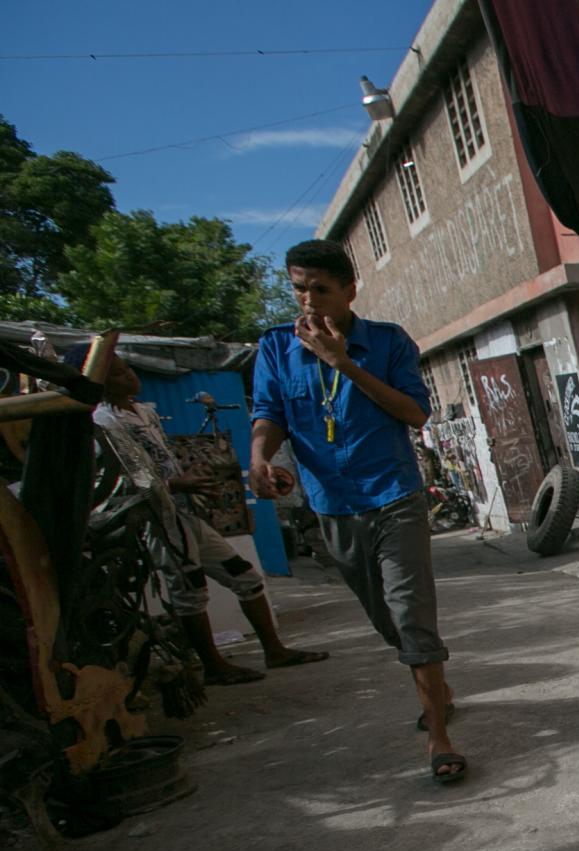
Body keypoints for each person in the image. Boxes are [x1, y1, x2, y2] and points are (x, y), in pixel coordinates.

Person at [247, 239, 466, 784]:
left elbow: (415, 413)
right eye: (299, 288)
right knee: (385, 618)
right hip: (333, 505)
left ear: (349, 290)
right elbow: (269, 413)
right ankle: (438, 687)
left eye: (320, 289)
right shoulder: (276, 348)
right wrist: (259, 456)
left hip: (394, 495)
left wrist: (342, 364)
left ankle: (439, 736)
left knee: (411, 609)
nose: (308, 301)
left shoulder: (387, 343)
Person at [72, 343, 328, 686]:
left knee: (245, 576)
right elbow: (125, 479)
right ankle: (213, 665)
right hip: (156, 518)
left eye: (126, 367)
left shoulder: (143, 412)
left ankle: (275, 650)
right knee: (189, 588)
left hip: (181, 513)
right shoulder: (103, 422)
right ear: (99, 381)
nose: (129, 374)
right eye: (117, 372)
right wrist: (176, 484)